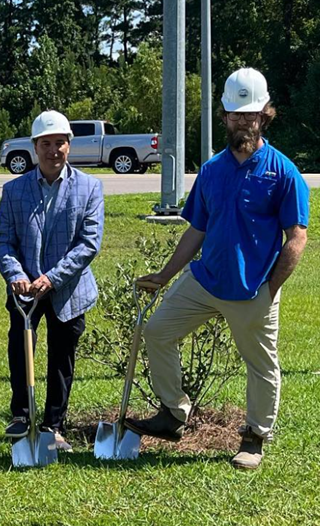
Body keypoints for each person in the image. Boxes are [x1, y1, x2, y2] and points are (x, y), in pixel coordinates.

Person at [125, 68, 309, 470]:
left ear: (265, 115)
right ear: (224, 116)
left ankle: (255, 437)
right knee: (156, 331)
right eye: (234, 113)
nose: (243, 121)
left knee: (261, 366)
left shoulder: (284, 172)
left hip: (253, 289)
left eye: (250, 114)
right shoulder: (212, 169)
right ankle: (174, 414)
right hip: (205, 280)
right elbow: (197, 229)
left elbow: (296, 237)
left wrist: (271, 288)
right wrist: (166, 274)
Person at [0, 110, 104, 452]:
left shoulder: (89, 187)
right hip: (25, 289)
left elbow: (89, 243)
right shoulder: (14, 190)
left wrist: (52, 279)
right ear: (34, 147)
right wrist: (17, 275)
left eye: (59, 143)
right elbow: (2, 241)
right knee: (19, 349)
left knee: (61, 358)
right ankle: (21, 415)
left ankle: (53, 425)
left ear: (69, 145)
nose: (53, 150)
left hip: (68, 289)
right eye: (46, 144)